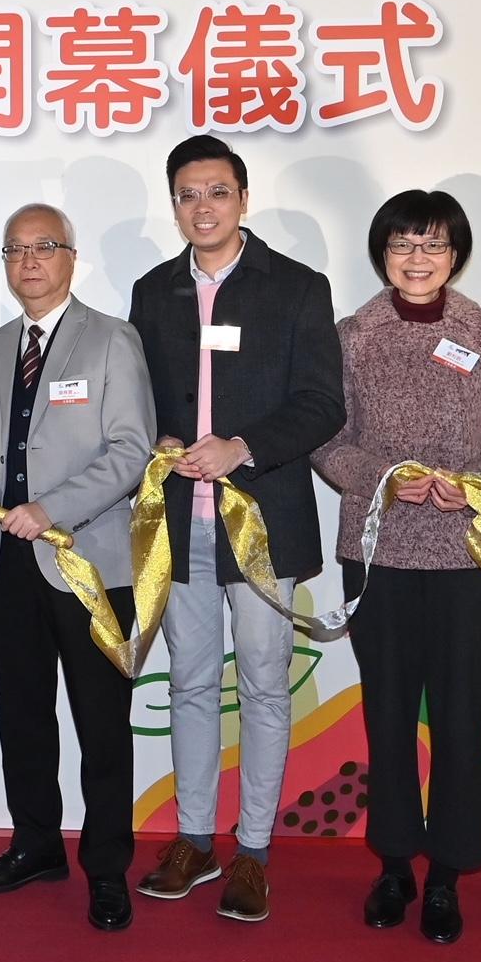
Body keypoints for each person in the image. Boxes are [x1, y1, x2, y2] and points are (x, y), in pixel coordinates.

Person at [0, 203, 155, 932]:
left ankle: (107, 870)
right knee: (23, 717)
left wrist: (52, 509)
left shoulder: (113, 341)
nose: (28, 262)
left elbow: (130, 451)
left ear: (70, 257)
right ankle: (37, 844)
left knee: (102, 724)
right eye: (15, 250)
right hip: (4, 565)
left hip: (89, 565)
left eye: (43, 247)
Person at [313, 191, 481, 944]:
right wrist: (381, 476)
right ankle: (394, 866)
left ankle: (446, 874)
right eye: (403, 245)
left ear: (455, 255)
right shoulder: (352, 335)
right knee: (386, 715)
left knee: (457, 714)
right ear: (383, 254)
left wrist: (476, 486)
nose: (418, 259)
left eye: (433, 246)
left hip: (465, 552)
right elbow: (327, 439)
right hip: (378, 552)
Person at [128, 135, 344, 922]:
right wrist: (154, 439)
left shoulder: (295, 288)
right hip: (177, 525)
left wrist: (242, 447)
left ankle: (253, 851)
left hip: (264, 522)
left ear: (243, 200)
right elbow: (139, 400)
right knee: (188, 681)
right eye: (187, 194)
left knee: (261, 684)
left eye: (217, 192)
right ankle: (194, 838)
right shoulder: (153, 293)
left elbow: (323, 404)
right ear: (175, 203)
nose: (202, 208)